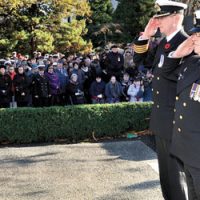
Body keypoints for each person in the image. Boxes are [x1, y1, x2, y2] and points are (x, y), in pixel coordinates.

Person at [133, 0, 188, 199]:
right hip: (162, 120)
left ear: (175, 17)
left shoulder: (187, 43)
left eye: (161, 18)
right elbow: (139, 62)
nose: (157, 22)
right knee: (166, 176)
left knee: (177, 176)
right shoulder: (164, 44)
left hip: (177, 121)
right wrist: (146, 36)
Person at [163, 10, 200, 199]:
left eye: (199, 36)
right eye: (194, 34)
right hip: (187, 150)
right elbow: (166, 74)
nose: (194, 39)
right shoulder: (192, 62)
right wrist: (178, 53)